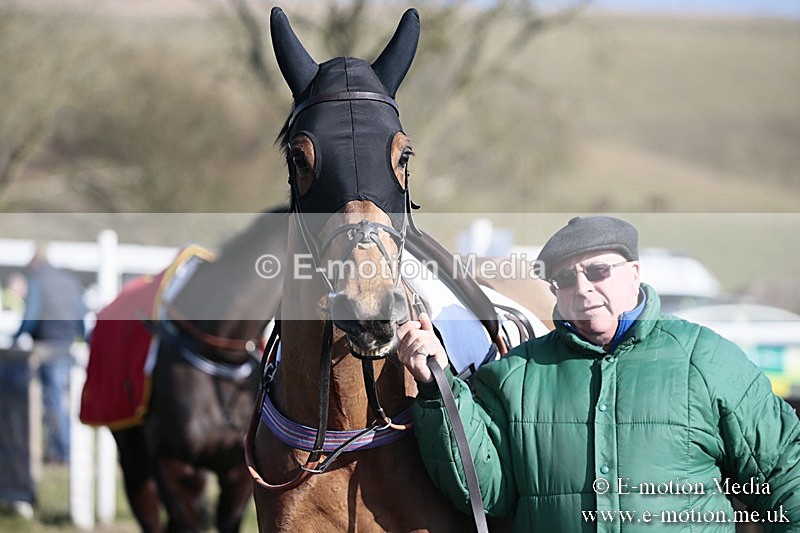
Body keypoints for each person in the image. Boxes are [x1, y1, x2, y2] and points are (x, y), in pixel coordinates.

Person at [398, 215, 800, 531]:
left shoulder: (707, 359)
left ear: (635, 272)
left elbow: (785, 476)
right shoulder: (513, 377)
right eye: (566, 279)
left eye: (598, 272)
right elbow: (486, 495)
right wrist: (437, 387)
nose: (584, 288)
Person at [13, 246, 86, 464]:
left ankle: (61, 452)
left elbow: (31, 315)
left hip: (47, 349)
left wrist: (16, 337)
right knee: (66, 403)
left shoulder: (38, 280)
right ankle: (65, 449)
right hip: (68, 347)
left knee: (53, 403)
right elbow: (81, 315)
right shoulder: (69, 280)